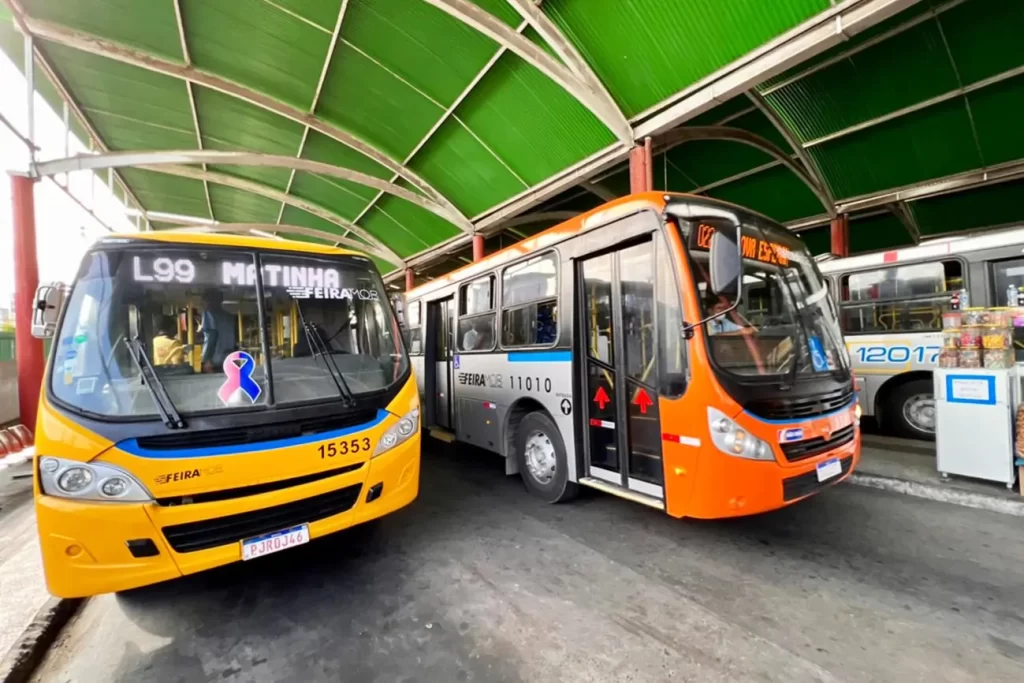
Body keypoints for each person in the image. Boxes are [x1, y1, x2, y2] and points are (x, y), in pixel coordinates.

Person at [199, 289, 238, 372]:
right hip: (229, 358)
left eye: (203, 300)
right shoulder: (230, 317)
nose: (201, 303)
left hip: (214, 361)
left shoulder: (208, 314)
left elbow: (211, 337)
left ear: (210, 301)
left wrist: (207, 359)